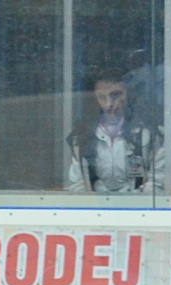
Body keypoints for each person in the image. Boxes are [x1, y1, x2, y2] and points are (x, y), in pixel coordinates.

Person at [65, 65, 165, 196]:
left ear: (129, 94)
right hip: (97, 210)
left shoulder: (150, 133)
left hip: (139, 211)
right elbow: (78, 186)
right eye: (101, 97)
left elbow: (158, 185)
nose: (109, 104)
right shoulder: (82, 135)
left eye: (115, 95)